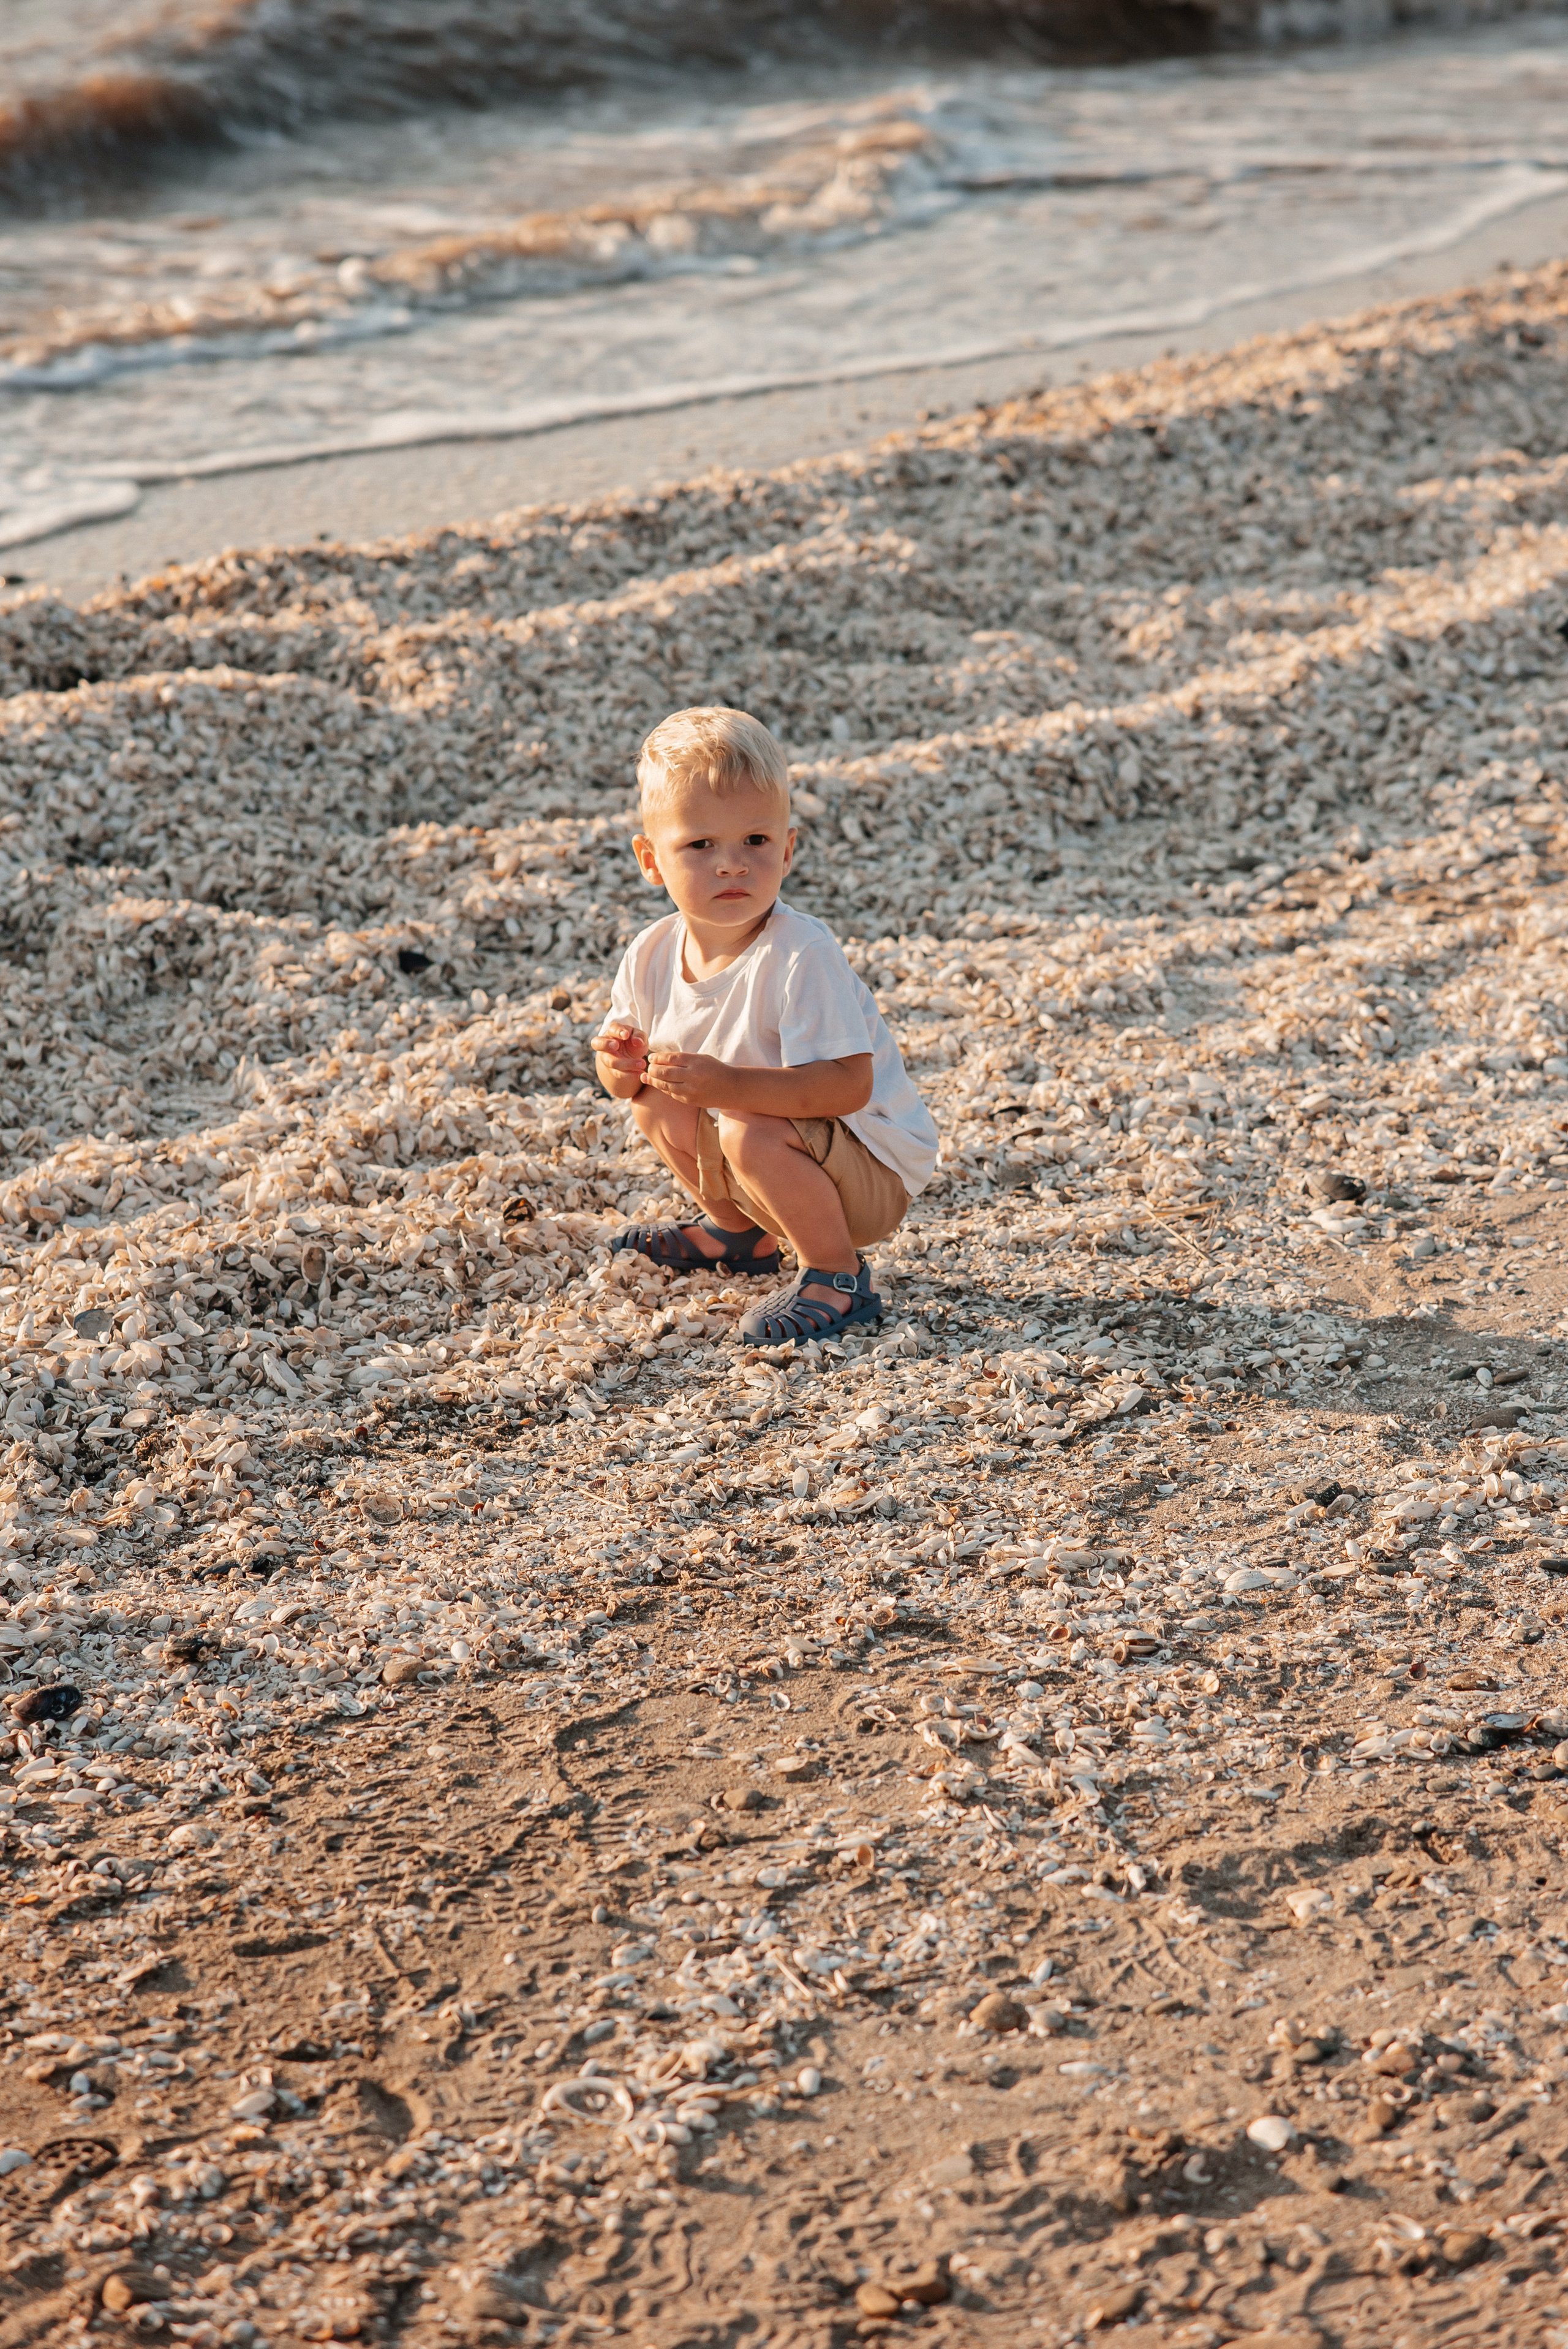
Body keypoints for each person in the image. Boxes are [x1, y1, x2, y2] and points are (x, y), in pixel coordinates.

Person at [590, 706, 938, 1345]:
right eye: (700, 846)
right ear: (650, 861)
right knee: (653, 1103)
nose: (731, 864)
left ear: (788, 848)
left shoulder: (800, 954)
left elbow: (846, 1087)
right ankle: (740, 1233)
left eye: (754, 840)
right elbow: (618, 1083)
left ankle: (836, 1274)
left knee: (746, 1124)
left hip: (871, 1170)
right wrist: (619, 1066)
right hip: (783, 1149)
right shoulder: (651, 953)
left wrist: (726, 1083)